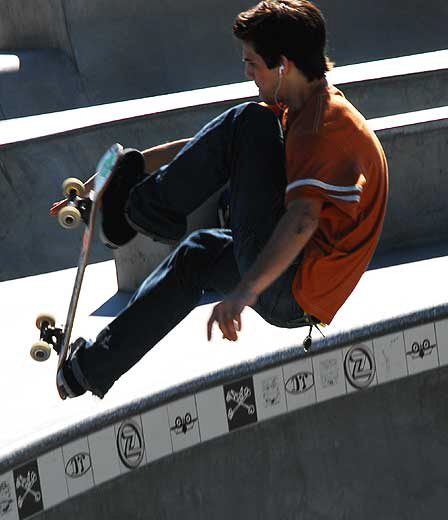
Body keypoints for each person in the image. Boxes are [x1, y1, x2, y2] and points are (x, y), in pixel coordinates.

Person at [52, 0, 389, 399]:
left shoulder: (321, 129)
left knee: (248, 121)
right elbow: (207, 148)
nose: (247, 72)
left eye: (253, 64)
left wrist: (245, 291)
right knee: (197, 255)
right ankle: (88, 370)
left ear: (283, 65)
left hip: (292, 284)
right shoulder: (304, 105)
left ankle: (142, 210)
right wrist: (128, 169)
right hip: (298, 296)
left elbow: (302, 219)